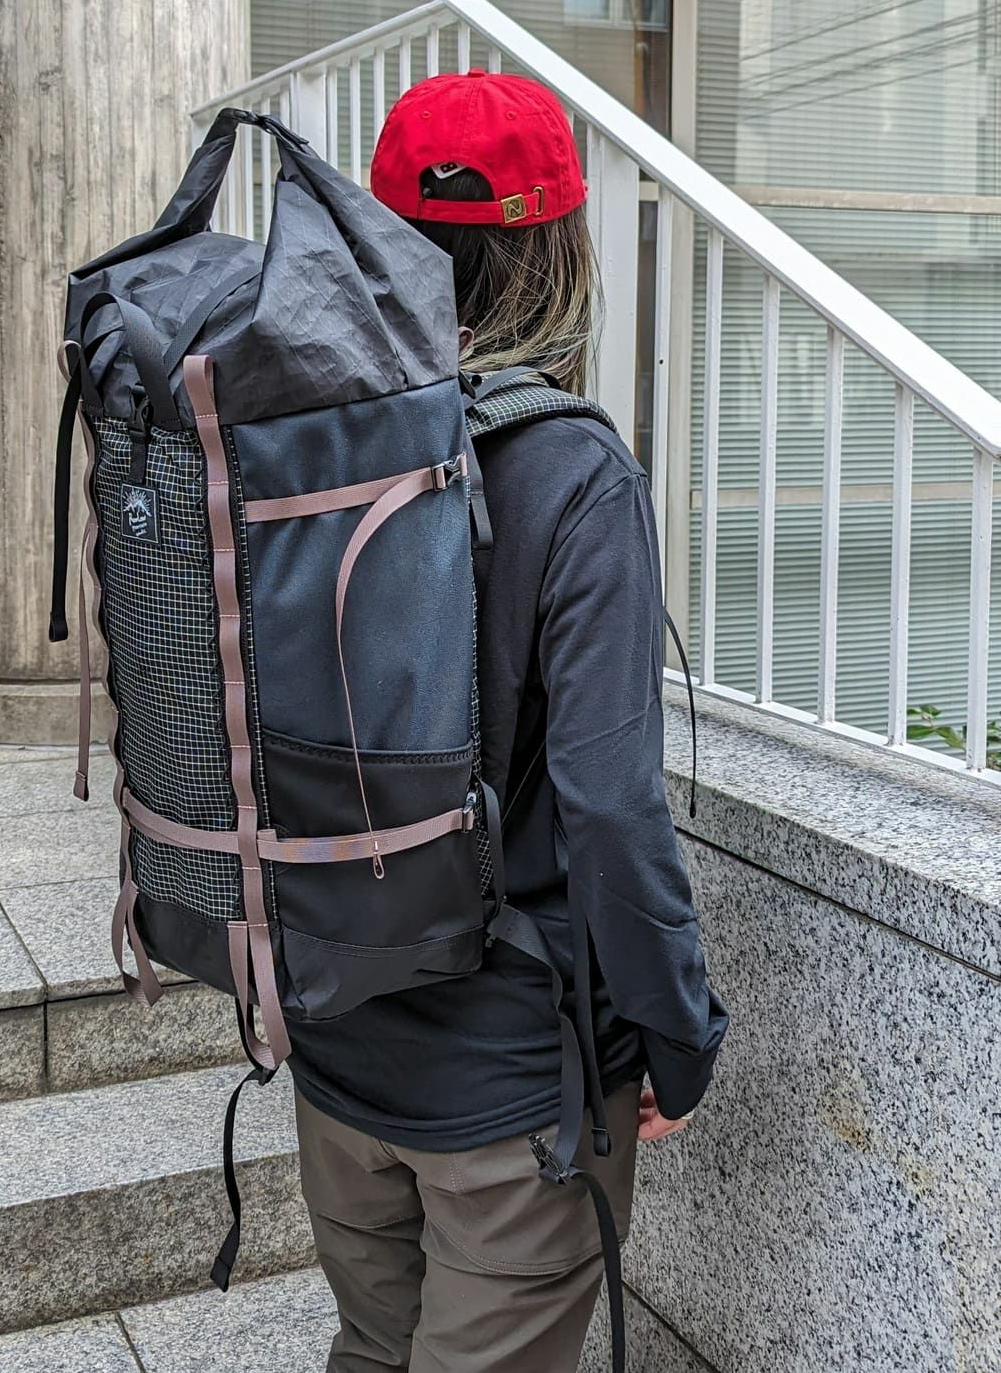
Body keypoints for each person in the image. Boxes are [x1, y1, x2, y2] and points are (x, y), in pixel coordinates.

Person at [284, 70, 728, 1373]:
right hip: (508, 1097)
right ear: (559, 254)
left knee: (373, 1348)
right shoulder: (575, 473)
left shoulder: (299, 437)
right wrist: (677, 1033)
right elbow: (610, 807)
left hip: (333, 1040)